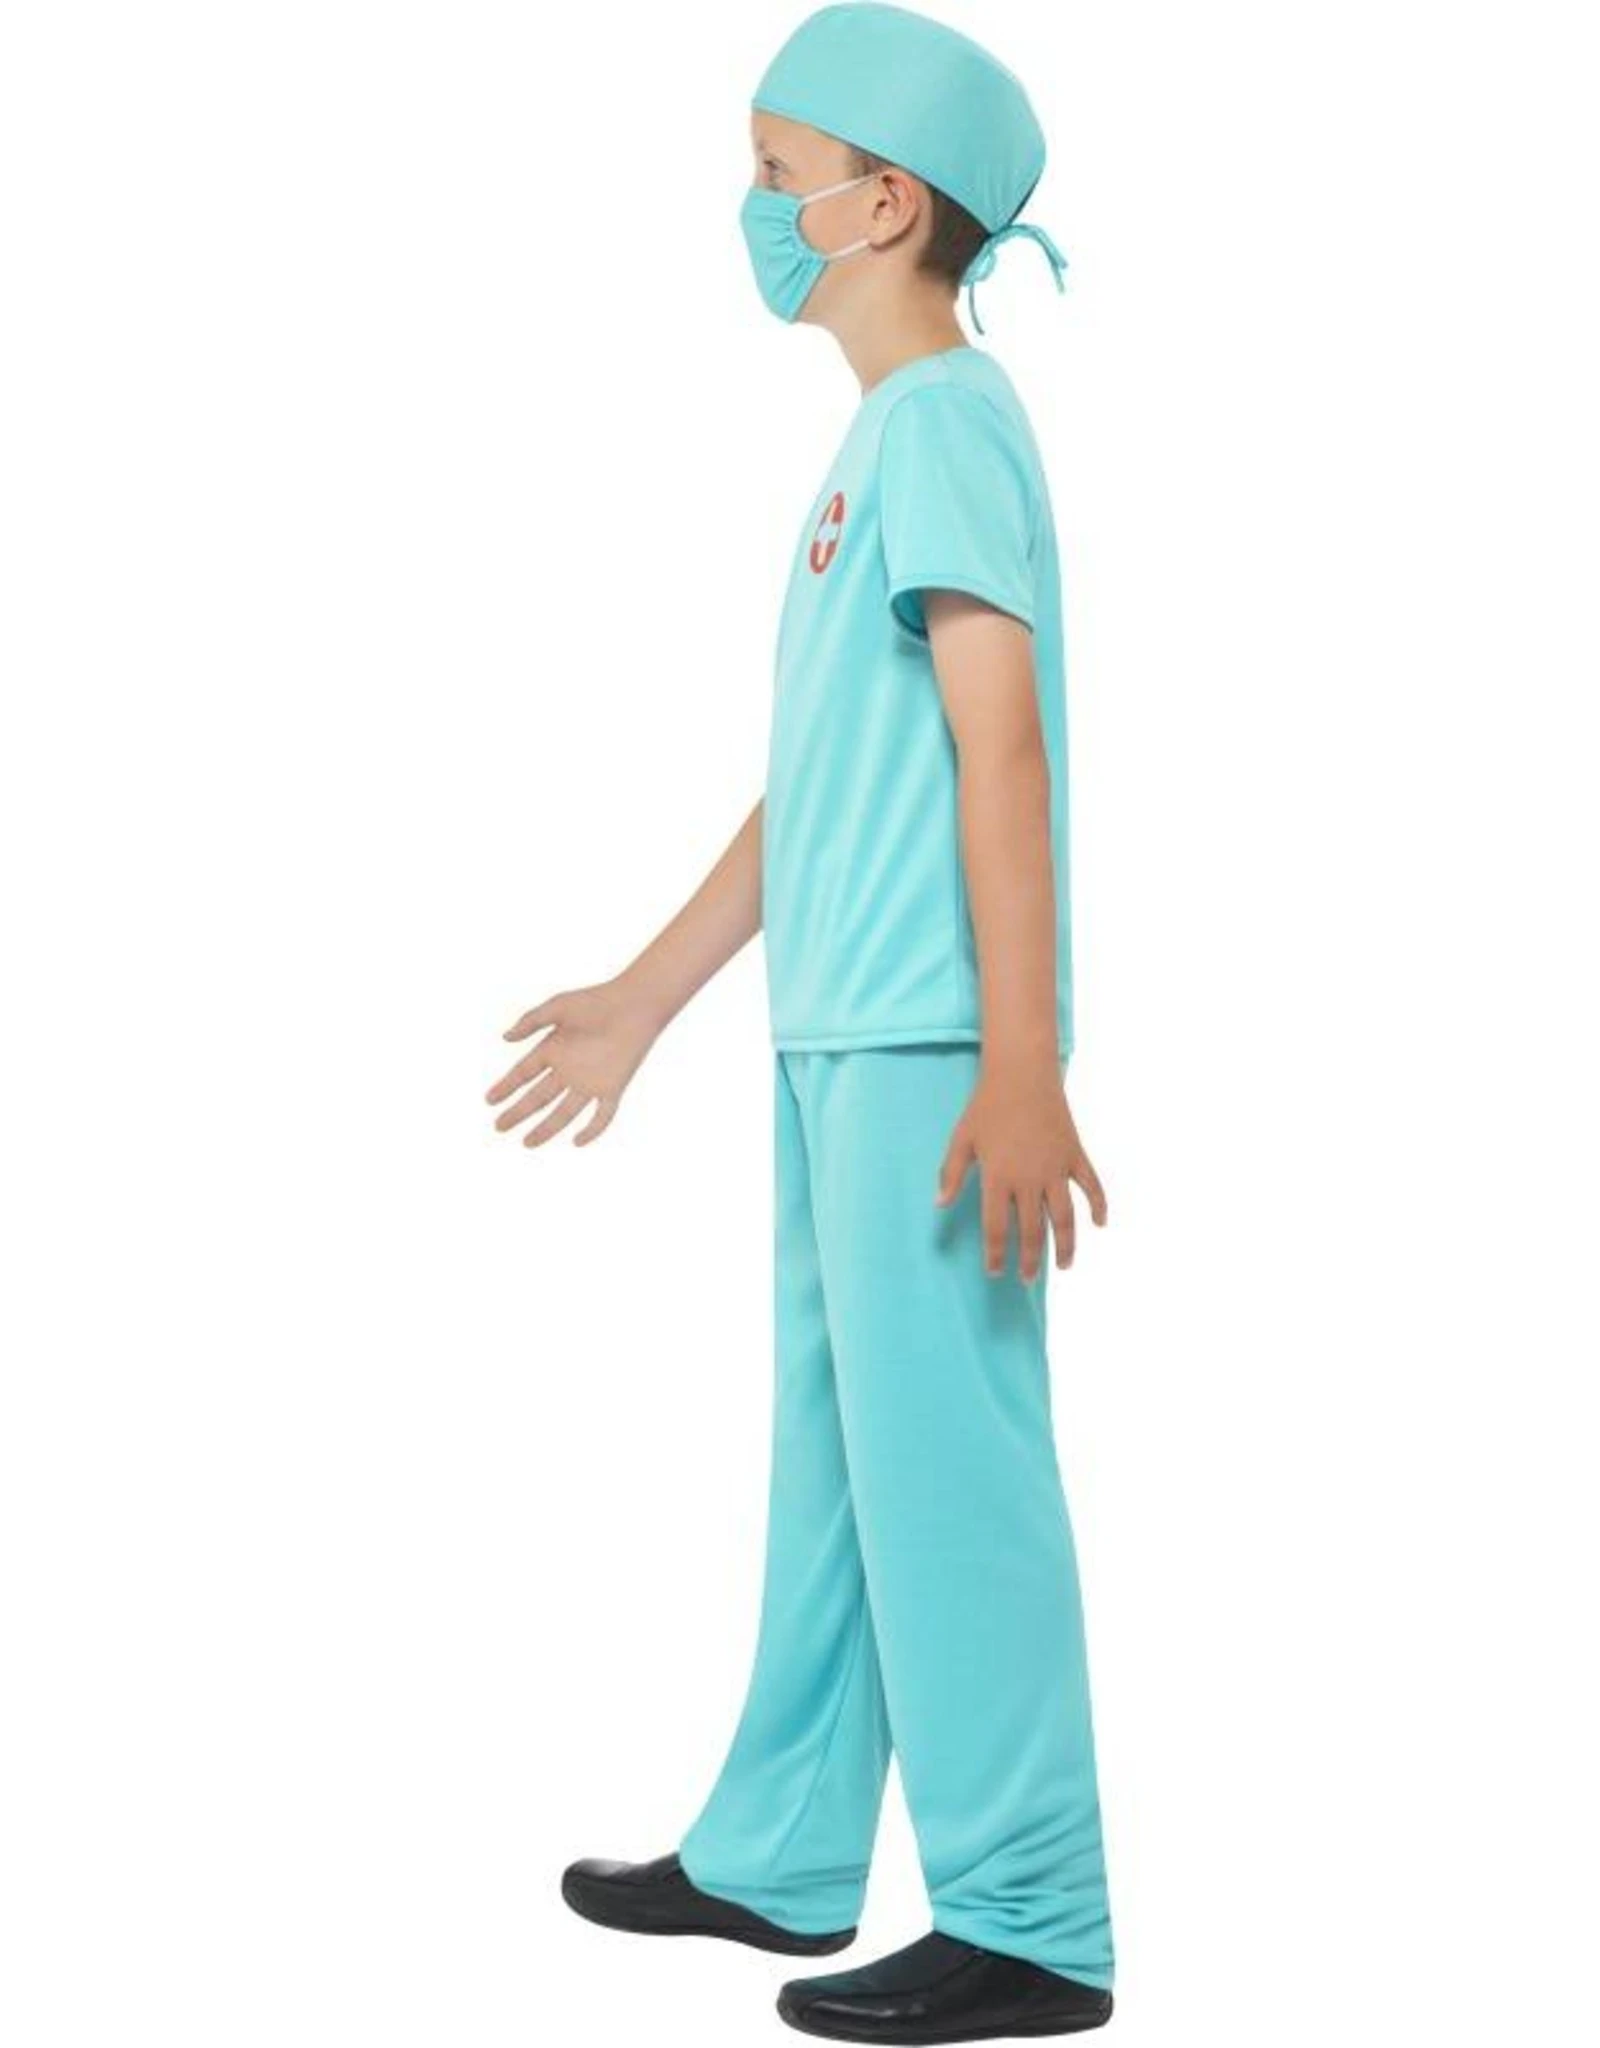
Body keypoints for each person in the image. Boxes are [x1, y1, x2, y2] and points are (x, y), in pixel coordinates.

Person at [486, 5, 1115, 2038]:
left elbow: (1001, 748)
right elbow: (820, 778)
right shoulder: (879, 445)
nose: (754, 210)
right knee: (844, 1462)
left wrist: (1021, 1066)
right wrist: (644, 999)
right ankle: (779, 1854)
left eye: (775, 174)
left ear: (883, 201)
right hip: (840, 1032)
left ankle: (1032, 1917)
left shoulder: (944, 424)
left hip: (932, 1048)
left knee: (951, 1469)